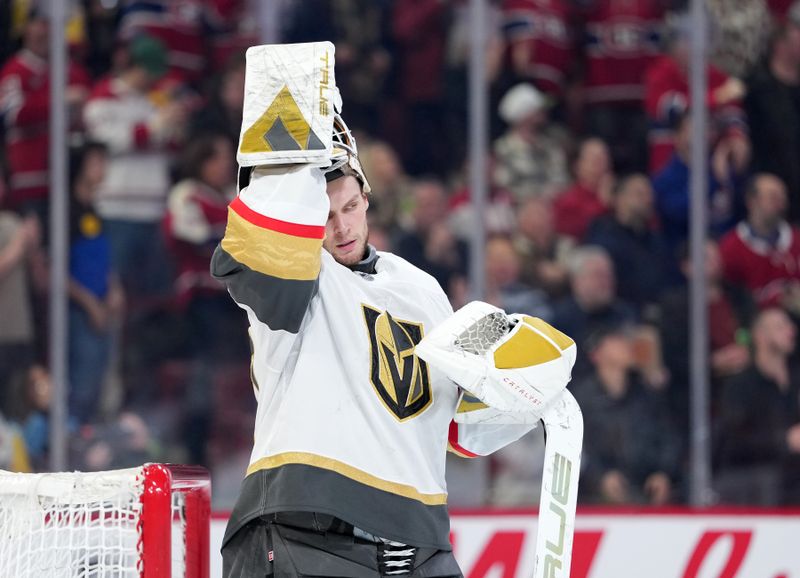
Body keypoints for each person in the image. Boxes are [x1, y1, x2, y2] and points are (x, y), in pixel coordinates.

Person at [213, 47, 572, 576]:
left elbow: (455, 425)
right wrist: (291, 125)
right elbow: (268, 236)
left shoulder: (419, 286)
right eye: (324, 214)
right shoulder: (298, 274)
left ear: (368, 199)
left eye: (351, 206)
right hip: (304, 535)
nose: (340, 227)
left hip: (420, 546)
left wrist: (522, 386)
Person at [715, 307, 800, 505]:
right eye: (780, 326)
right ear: (760, 336)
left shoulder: (796, 381)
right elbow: (735, 441)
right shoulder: (741, 386)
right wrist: (785, 441)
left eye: (789, 325)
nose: (790, 331)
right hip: (757, 478)